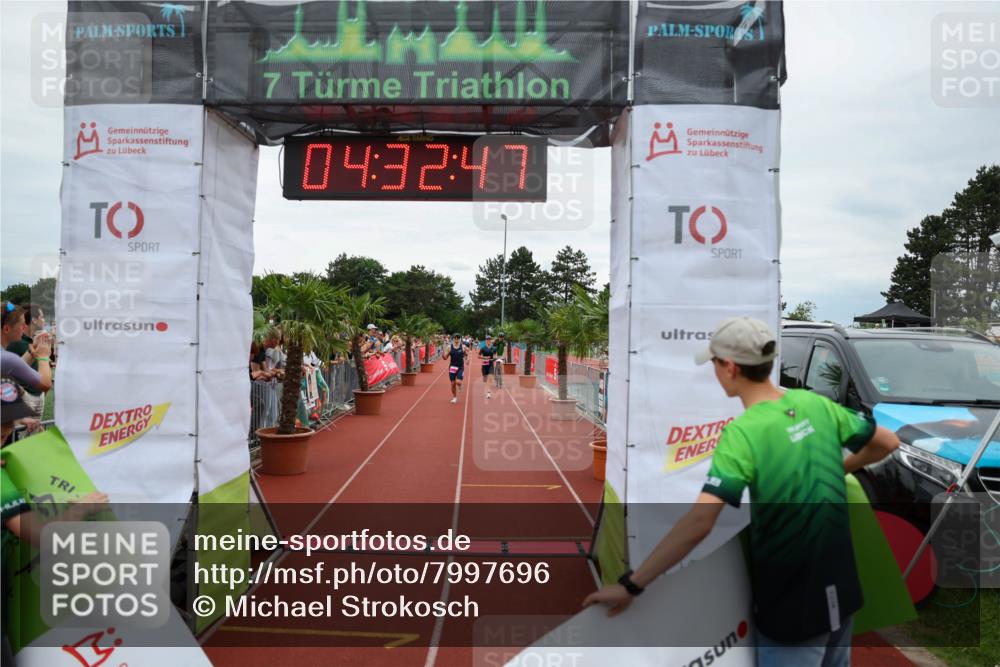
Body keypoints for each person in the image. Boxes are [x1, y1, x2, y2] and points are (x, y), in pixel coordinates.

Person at [583, 316, 901, 667]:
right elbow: (887, 442)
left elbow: (701, 521)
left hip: (792, 607)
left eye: (716, 363)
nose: (715, 372)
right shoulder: (816, 405)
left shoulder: (744, 433)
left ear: (730, 367)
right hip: (842, 591)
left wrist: (631, 585)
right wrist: (837, 468)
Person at [6, 304, 50, 418]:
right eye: (21, 324)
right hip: (25, 396)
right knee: (21, 433)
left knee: (33, 430)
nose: (24, 326)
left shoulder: (29, 341)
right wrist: (43, 357)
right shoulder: (15, 343)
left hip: (37, 394)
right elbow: (12, 373)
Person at [442, 333, 467, 404]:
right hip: (452, 367)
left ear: (460, 339)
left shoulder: (463, 347)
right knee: (453, 383)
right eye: (455, 338)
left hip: (460, 367)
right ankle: (454, 397)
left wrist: (467, 359)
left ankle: (460, 385)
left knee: (458, 382)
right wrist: (443, 356)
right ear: (453, 339)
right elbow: (445, 358)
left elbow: (466, 354)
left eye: (458, 338)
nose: (456, 340)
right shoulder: (449, 347)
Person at [479, 334, 497, 399]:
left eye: (489, 339)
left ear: (491, 340)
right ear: (485, 341)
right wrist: (485, 357)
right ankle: (487, 390)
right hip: (484, 365)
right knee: (485, 380)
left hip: (491, 364)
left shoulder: (494, 348)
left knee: (490, 378)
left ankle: (488, 392)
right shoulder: (483, 348)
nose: (488, 341)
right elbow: (478, 356)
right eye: (487, 339)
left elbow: (495, 356)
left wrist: (494, 358)